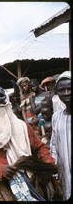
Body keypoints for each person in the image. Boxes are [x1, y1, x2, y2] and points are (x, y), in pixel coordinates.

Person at [0, 85, 55, 201]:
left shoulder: (23, 127)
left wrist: (47, 166)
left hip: (28, 183)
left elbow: (40, 148)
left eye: (3, 106)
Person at [50, 71, 71, 200]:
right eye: (62, 90)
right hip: (65, 173)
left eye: (70, 88)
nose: (66, 93)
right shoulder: (56, 116)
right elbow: (54, 144)